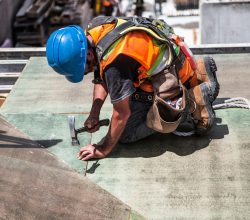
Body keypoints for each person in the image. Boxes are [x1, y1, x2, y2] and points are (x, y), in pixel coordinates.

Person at [46, 16, 220, 161]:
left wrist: (103, 149)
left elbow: (121, 114)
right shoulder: (95, 29)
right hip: (171, 57)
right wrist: (94, 113)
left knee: (126, 134)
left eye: (82, 69)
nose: (84, 74)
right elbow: (100, 74)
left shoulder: (116, 63)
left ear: (89, 54)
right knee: (125, 95)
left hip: (171, 76)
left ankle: (192, 102)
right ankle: (199, 72)